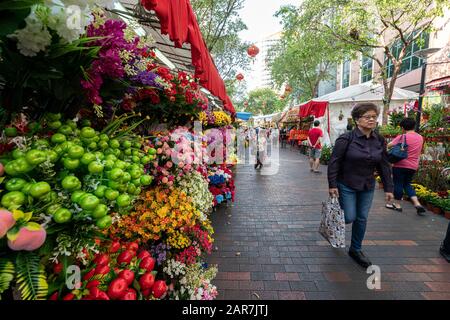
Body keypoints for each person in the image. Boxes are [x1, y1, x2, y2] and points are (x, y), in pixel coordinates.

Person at [328, 103, 394, 268]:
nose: (371, 119)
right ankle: (334, 224)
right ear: (357, 120)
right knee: (349, 216)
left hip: (367, 185)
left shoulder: (379, 140)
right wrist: (332, 184)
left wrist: (389, 188)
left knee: (362, 218)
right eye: (367, 117)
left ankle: (355, 249)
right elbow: (334, 162)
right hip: (346, 183)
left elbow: (384, 165)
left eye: (374, 117)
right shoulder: (346, 139)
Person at [385, 118, 426, 216]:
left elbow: (389, 145)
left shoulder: (402, 137)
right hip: (413, 165)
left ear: (402, 127)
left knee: (398, 183)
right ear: (414, 126)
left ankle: (397, 205)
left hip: (400, 164)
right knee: (407, 184)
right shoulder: (420, 137)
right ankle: (417, 203)